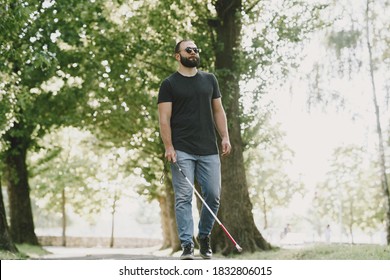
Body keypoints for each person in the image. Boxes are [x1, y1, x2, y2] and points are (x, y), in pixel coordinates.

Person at [158, 39, 231, 260]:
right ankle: (187, 245)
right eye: (188, 50)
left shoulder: (210, 80)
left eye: (196, 49)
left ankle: (204, 236)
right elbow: (164, 118)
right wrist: (169, 146)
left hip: (209, 148)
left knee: (213, 195)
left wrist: (225, 136)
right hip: (182, 150)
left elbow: (218, 111)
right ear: (177, 56)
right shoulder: (169, 84)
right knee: (184, 197)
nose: (193, 52)